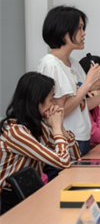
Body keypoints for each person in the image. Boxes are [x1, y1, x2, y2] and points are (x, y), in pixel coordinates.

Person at [37, 6, 100, 179]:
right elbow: (61, 111)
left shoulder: (74, 64)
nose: (84, 33)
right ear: (63, 32)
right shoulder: (51, 65)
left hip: (80, 139)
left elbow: (81, 105)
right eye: (80, 28)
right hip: (63, 141)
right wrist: (88, 83)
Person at [0, 72, 82, 214]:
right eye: (51, 99)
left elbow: (75, 158)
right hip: (9, 200)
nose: (54, 104)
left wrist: (61, 127)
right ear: (37, 102)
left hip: (30, 195)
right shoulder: (16, 132)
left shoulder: (38, 127)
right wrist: (56, 128)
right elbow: (63, 161)